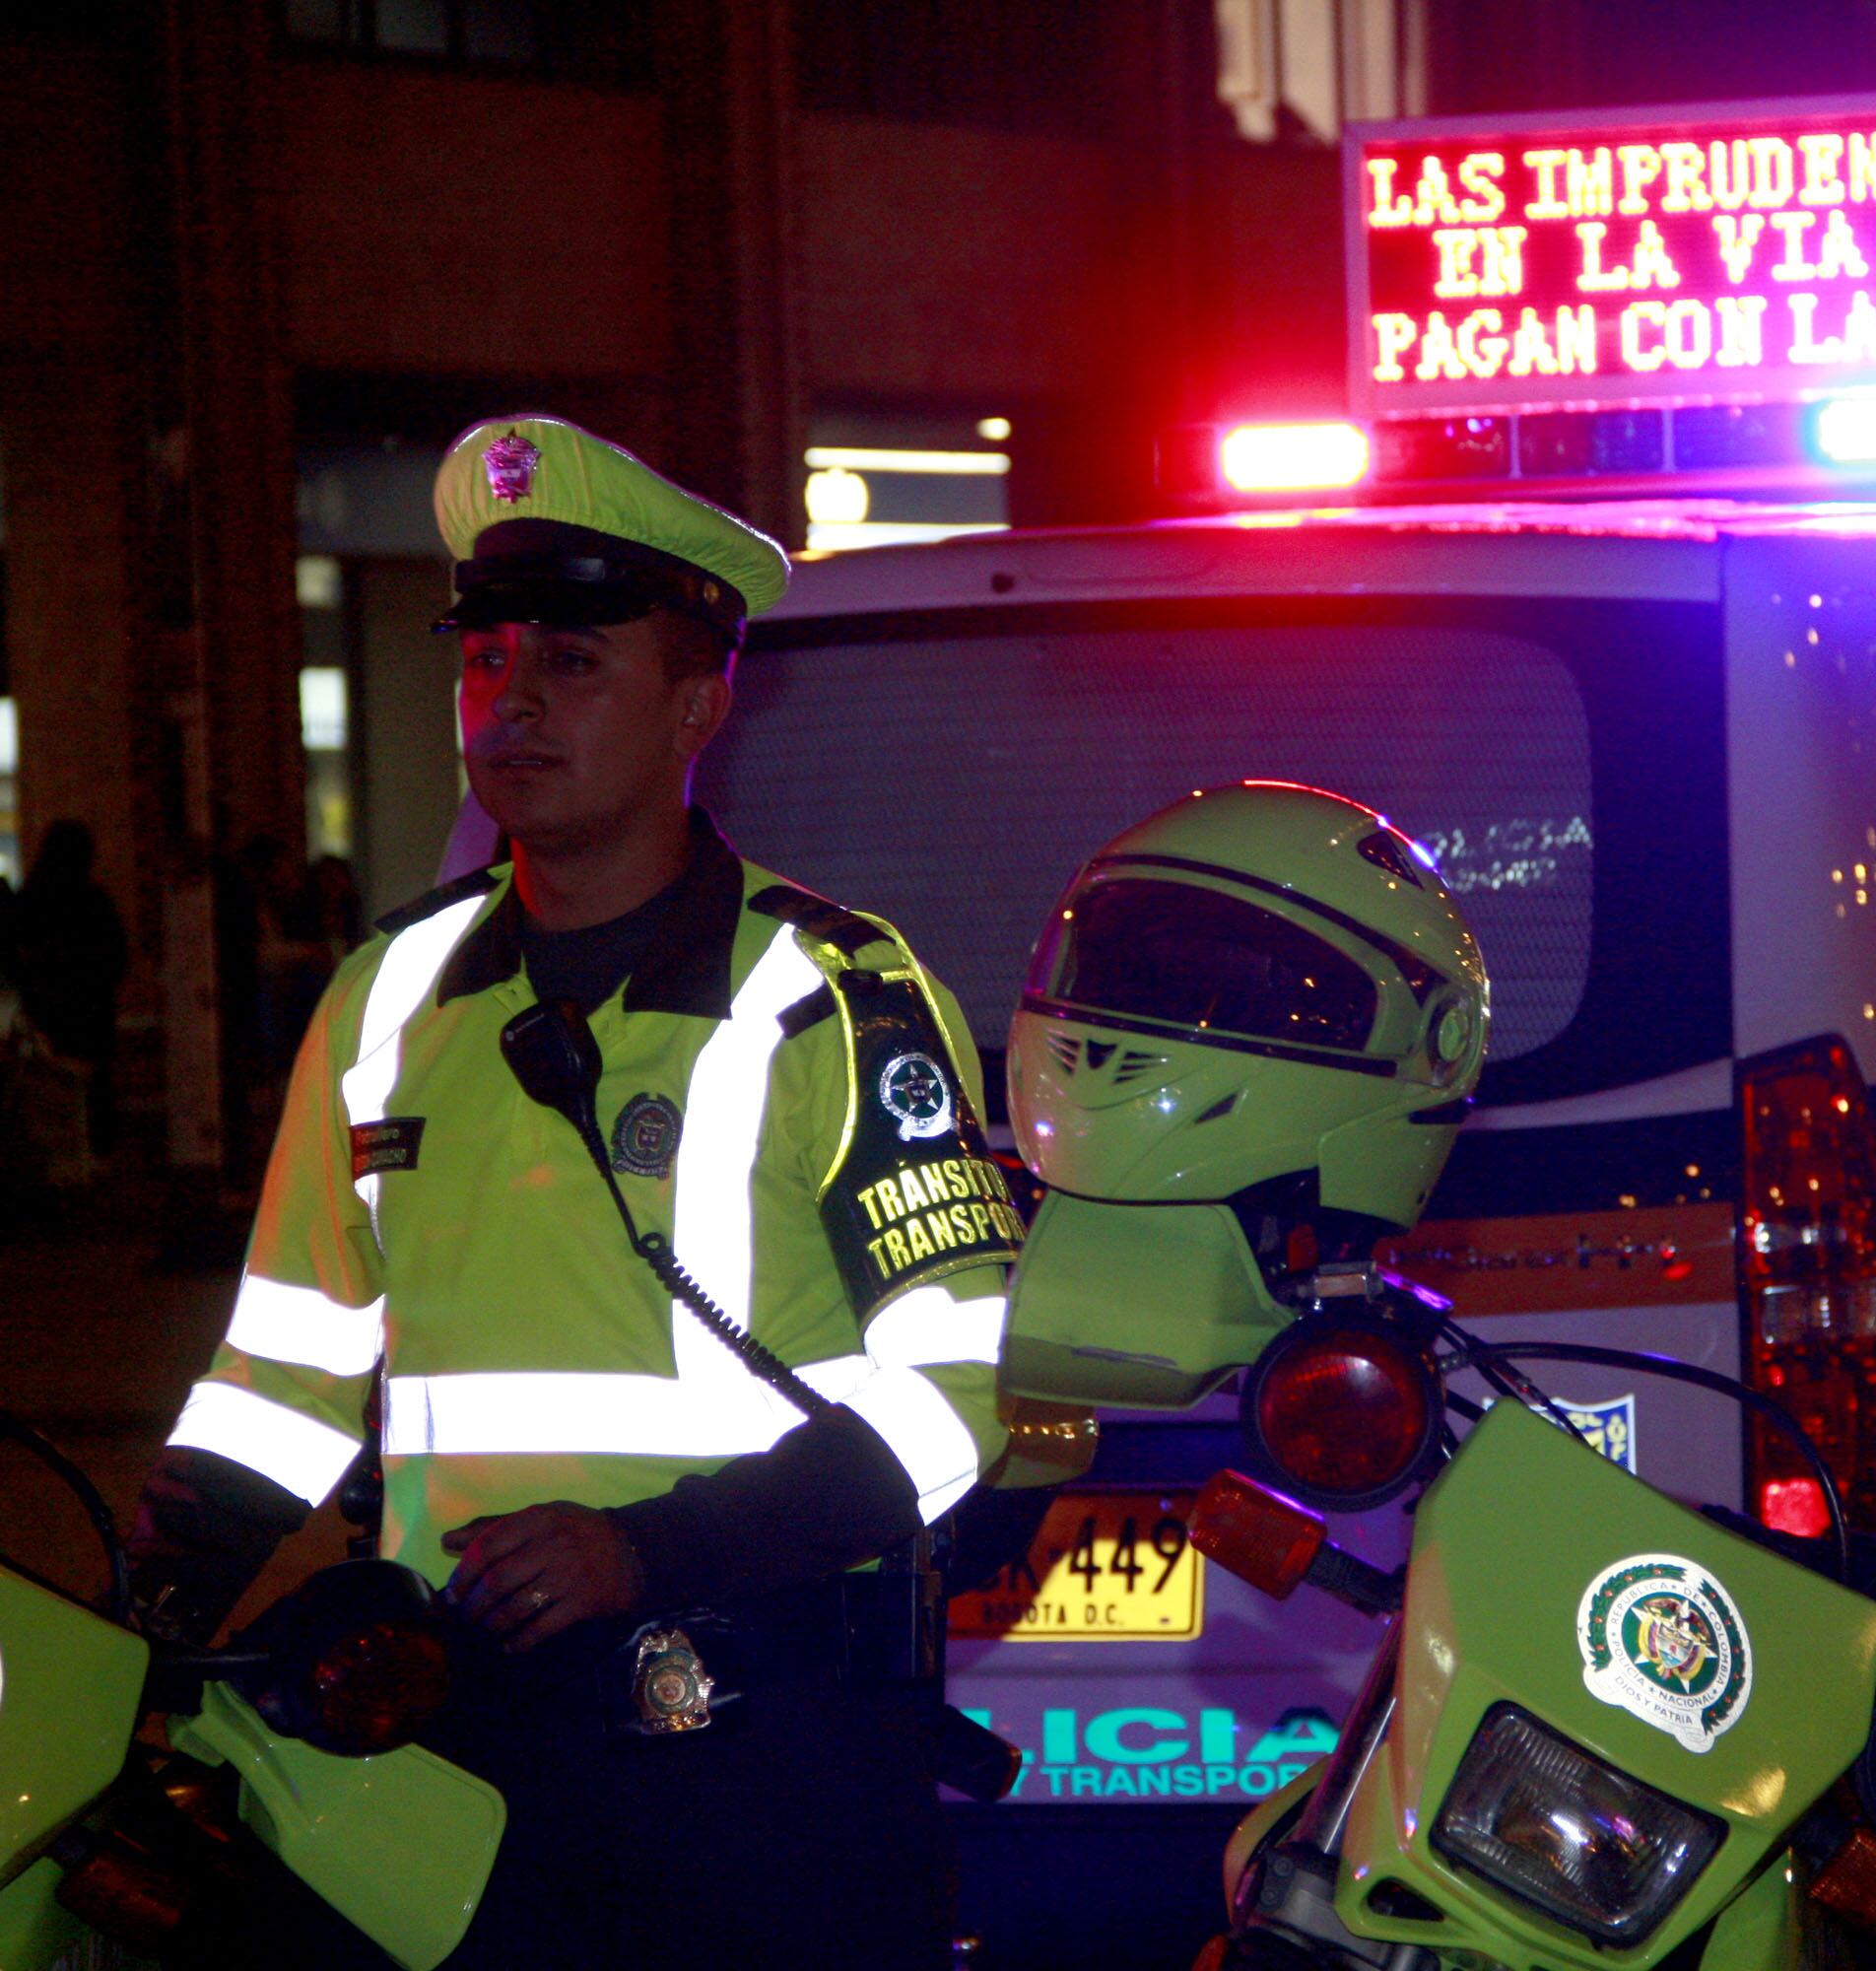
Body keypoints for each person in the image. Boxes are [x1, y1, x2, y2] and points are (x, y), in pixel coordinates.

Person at [125, 414, 1091, 1968]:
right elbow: (284, 1374)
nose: (510, 704)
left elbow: (964, 1391)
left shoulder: (829, 994)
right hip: (452, 1735)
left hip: (758, 1743)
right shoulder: (388, 995)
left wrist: (653, 1549)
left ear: (697, 702)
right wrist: (150, 1601)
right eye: (486, 660)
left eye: (572, 665)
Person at [17, 816, 128, 1153]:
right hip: (91, 1015)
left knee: (48, 1096)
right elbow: (116, 957)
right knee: (91, 1095)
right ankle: (92, 1155)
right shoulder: (93, 901)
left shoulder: (32, 899)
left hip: (45, 1017)